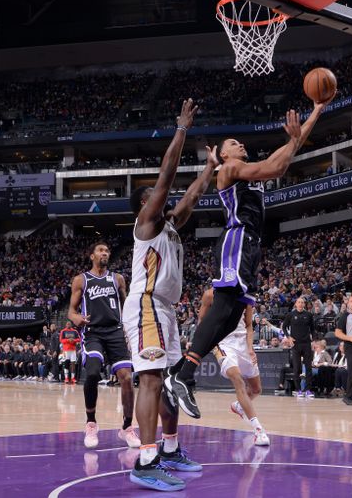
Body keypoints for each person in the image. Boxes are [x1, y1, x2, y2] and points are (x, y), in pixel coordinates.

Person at [165, 96, 333, 418]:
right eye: (233, 143)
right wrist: (294, 139)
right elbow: (279, 164)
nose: (240, 144)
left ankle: (183, 374)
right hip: (237, 239)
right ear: (222, 154)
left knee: (230, 319)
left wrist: (317, 110)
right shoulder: (230, 169)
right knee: (223, 307)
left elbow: (286, 154)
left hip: (251, 246)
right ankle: (182, 374)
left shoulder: (246, 170)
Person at [120, 98, 219, 491]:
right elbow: (167, 176)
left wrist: (210, 168)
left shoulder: (171, 226)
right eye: (156, 195)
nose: (163, 198)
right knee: (150, 380)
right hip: (145, 305)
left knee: (172, 379)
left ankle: (171, 448)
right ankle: (146, 459)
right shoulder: (146, 223)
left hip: (165, 309)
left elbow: (192, 197)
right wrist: (182, 129)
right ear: (146, 204)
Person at [68, 241, 137, 449]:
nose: (105, 253)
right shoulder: (81, 280)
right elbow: (71, 311)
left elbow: (128, 305)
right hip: (93, 332)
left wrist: (130, 328)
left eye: (107, 250)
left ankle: (127, 427)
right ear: (92, 256)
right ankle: (91, 423)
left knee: (127, 377)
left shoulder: (117, 279)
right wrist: (76, 318)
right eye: (100, 250)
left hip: (115, 331)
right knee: (92, 373)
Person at [200, 288, 269, 446]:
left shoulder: (246, 296)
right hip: (223, 343)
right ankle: (258, 429)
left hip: (242, 343)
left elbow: (249, 325)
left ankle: (239, 406)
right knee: (238, 379)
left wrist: (250, 348)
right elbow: (202, 321)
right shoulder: (210, 294)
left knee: (257, 389)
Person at [282, 297, 316, 397]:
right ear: (296, 304)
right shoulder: (291, 314)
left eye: (302, 302)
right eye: (299, 302)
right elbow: (284, 327)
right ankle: (298, 390)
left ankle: (308, 390)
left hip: (306, 344)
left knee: (308, 367)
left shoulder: (309, 315)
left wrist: (313, 340)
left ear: (304, 304)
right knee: (296, 368)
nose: (301, 304)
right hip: (295, 344)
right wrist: (288, 337)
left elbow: (313, 329)